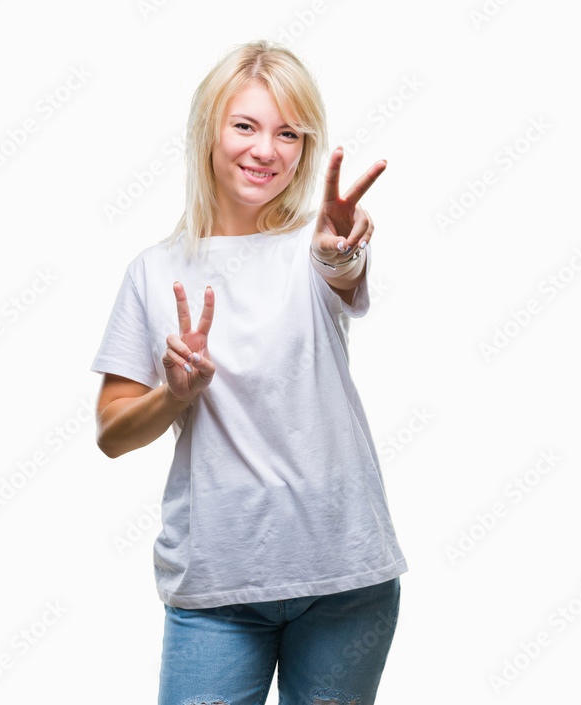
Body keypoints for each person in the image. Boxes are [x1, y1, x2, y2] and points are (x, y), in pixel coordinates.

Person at [89, 39, 408, 705]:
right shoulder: (153, 271)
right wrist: (175, 394)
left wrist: (341, 253)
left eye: (288, 132)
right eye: (246, 125)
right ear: (208, 129)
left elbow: (341, 271)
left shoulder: (314, 244)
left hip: (345, 581)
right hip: (216, 587)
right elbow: (113, 432)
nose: (266, 150)